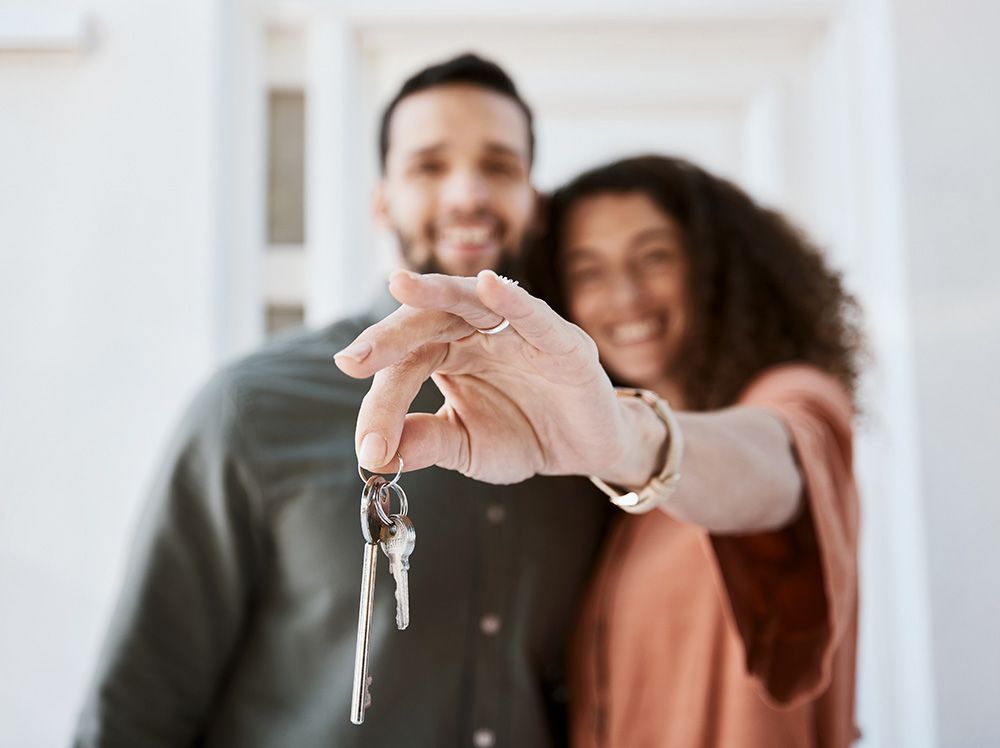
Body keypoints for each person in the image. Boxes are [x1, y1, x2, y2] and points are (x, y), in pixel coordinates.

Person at [74, 54, 611, 748]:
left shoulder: (586, 414)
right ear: (381, 200)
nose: (468, 193)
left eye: (500, 166)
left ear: (533, 202)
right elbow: (136, 708)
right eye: (429, 166)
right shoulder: (254, 410)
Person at [338, 155, 863, 747]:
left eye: (655, 257)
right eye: (588, 271)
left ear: (718, 269)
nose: (625, 295)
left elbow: (771, 468)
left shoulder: (795, 398)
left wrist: (625, 440)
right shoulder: (607, 501)